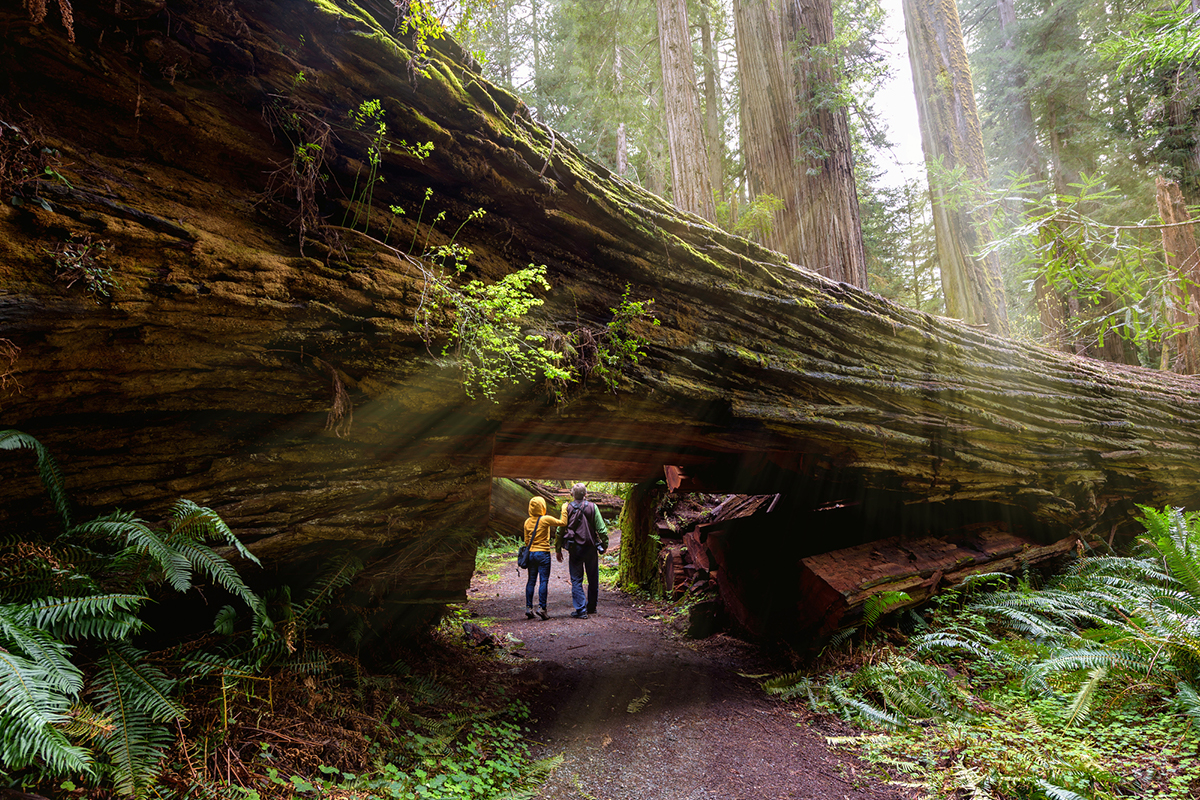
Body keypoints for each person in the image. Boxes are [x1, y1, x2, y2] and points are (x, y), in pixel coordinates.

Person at [556, 483, 609, 619]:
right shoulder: (593, 507)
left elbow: (559, 530)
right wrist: (605, 543)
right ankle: (591, 607)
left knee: (576, 579)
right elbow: (601, 528)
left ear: (572, 495)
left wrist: (558, 549)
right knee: (593, 578)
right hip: (591, 548)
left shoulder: (567, 508)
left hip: (575, 549)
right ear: (586, 494)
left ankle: (580, 609)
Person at [522, 495, 567, 620]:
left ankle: (528, 608)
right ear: (542, 507)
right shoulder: (545, 519)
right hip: (543, 554)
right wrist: (564, 508)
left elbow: (526, 541)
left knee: (531, 581)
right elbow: (563, 523)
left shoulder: (527, 521)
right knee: (543, 581)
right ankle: (542, 608)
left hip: (531, 554)